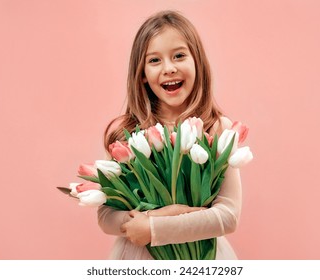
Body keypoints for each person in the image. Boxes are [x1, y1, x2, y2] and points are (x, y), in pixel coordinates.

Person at [97, 10, 242, 259]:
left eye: (179, 56)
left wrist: (154, 227)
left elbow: (228, 216)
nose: (169, 68)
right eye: (154, 60)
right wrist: (136, 223)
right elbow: (105, 215)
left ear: (197, 61)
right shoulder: (128, 134)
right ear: (141, 74)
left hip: (200, 259)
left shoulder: (216, 128)